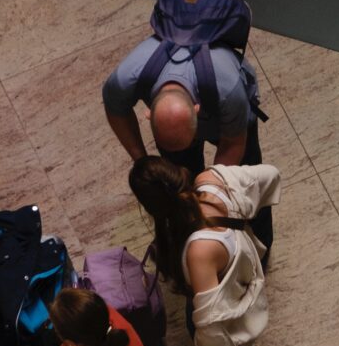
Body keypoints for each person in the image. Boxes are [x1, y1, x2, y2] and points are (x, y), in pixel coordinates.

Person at [129, 156, 280, 346]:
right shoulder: (212, 179)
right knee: (203, 336)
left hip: (230, 311)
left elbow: (213, 329)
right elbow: (269, 174)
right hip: (231, 277)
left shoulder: (200, 252)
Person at [103, 30, 273, 256]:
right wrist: (142, 160)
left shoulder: (229, 90)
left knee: (247, 183)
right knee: (180, 181)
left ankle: (260, 245)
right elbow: (116, 110)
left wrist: (212, 192)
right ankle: (190, 236)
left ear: (197, 109)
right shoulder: (124, 79)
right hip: (191, 111)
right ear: (149, 113)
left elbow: (233, 144)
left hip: (232, 120)